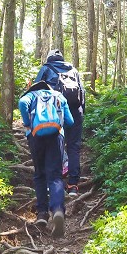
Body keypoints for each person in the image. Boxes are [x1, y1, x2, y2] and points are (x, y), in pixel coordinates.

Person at [18, 80, 74, 237]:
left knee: (40, 174)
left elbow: (22, 102)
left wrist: (28, 123)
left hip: (35, 137)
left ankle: (42, 214)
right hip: (56, 137)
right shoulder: (58, 96)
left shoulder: (30, 95)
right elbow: (70, 122)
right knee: (55, 176)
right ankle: (57, 210)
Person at [34, 49, 85, 198]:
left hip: (53, 113)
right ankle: (73, 185)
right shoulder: (73, 70)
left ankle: (55, 184)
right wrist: (81, 113)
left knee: (52, 146)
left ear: (49, 59)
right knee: (73, 147)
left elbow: (36, 91)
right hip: (75, 112)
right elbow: (82, 92)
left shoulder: (46, 69)